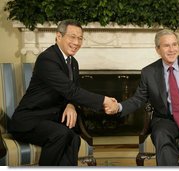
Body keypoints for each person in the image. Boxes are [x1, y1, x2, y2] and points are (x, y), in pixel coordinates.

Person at [9, 19, 117, 166]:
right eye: (72, 37)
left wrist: (71, 105)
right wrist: (104, 100)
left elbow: (73, 92)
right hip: (29, 121)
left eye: (80, 38)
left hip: (50, 120)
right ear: (59, 36)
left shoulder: (73, 63)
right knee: (60, 134)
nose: (77, 42)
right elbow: (71, 90)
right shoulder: (47, 59)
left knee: (74, 138)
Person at [105, 29, 179, 166]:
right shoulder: (149, 72)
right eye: (166, 46)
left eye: (174, 44)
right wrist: (119, 106)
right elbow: (138, 99)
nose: (172, 49)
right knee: (160, 134)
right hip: (165, 119)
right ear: (157, 49)